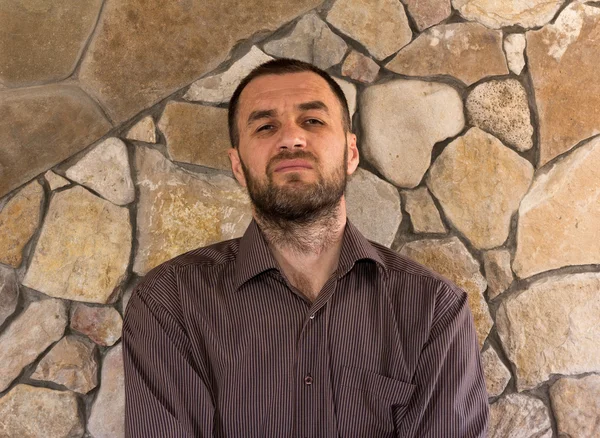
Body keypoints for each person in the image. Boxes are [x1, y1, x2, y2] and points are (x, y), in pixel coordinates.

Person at [122, 58, 489, 437]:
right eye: (265, 126)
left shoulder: (433, 310)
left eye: (313, 121)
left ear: (350, 153)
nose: (291, 139)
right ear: (237, 166)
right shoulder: (170, 302)